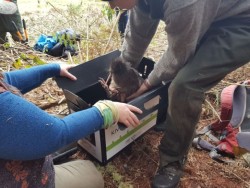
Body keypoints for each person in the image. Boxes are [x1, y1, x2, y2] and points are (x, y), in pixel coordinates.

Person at [102, 0, 250, 187]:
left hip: (241, 23)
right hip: (210, 15)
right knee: (170, 72)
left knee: (185, 85)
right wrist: (119, 74)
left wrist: (146, 85)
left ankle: (173, 159)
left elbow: (178, 55)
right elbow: (137, 37)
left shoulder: (184, 3)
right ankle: (168, 117)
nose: (110, 6)